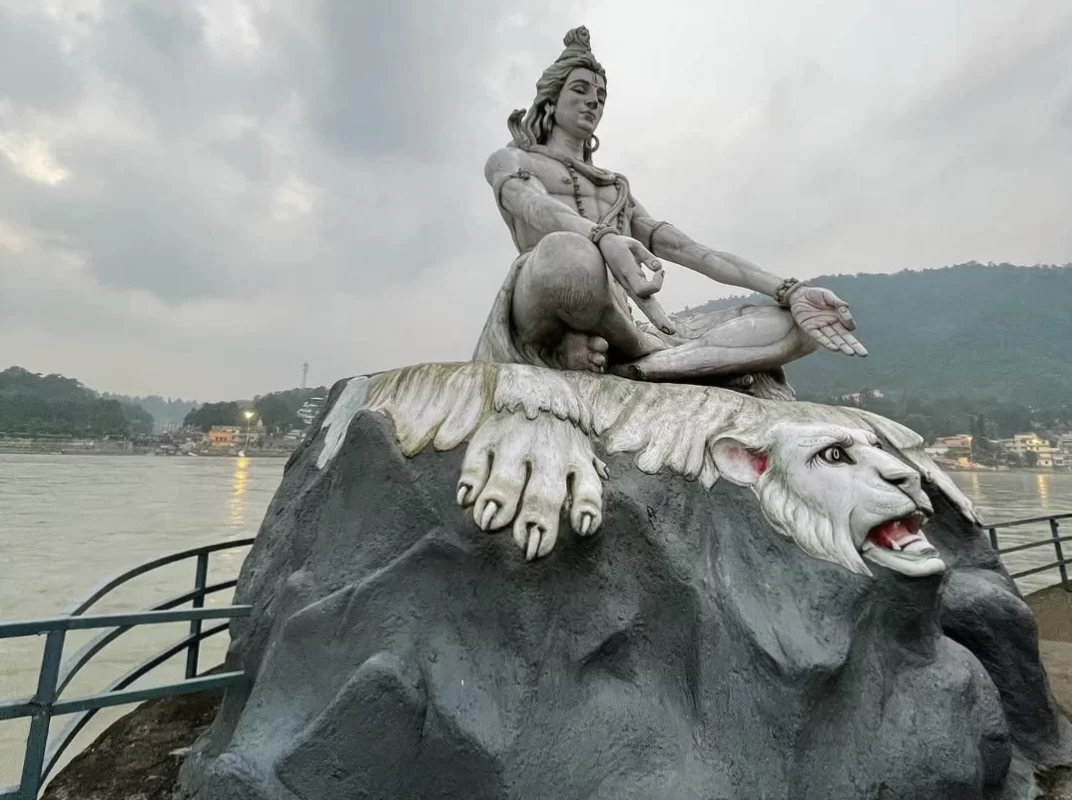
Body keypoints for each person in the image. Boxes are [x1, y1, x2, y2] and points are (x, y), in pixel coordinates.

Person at [473, 26, 866, 398]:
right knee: (568, 255)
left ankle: (640, 365)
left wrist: (790, 290)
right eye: (580, 89)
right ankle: (617, 349)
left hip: (624, 325)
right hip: (545, 302)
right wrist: (602, 237)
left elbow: (692, 251)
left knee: (803, 326)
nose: (594, 101)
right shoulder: (511, 159)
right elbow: (531, 204)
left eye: (601, 96)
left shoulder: (614, 190)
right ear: (551, 99)